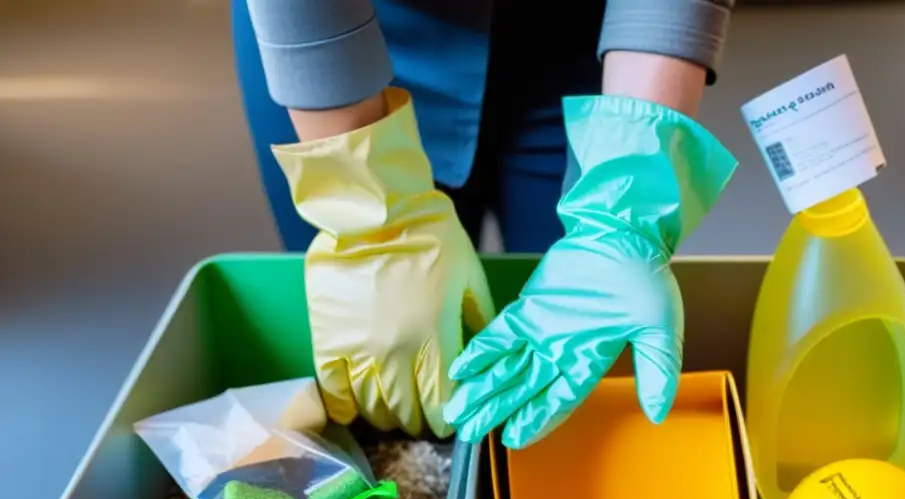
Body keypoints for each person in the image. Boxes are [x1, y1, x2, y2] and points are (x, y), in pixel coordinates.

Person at [242, 0, 738, 448]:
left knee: (571, 382)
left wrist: (623, 216)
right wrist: (369, 214)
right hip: (339, 39)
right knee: (375, 355)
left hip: (598, 44)